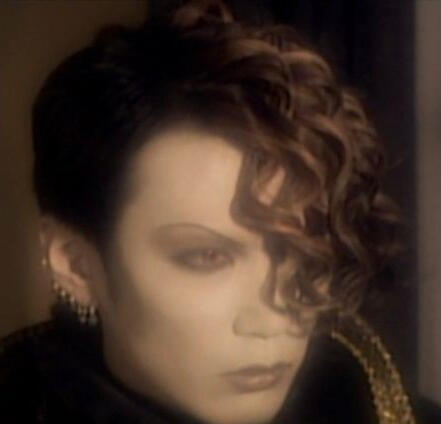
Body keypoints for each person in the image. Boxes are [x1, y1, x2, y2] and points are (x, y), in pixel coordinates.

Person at [0, 0, 432, 423]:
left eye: (300, 253)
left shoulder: (379, 405)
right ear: (76, 265)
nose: (274, 317)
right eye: (208, 256)